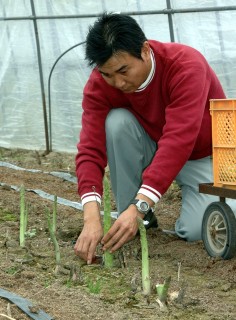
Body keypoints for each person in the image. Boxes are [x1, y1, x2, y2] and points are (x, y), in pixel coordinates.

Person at [74, 12, 230, 264]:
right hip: (152, 145)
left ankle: (137, 210)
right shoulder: (100, 85)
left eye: (123, 70)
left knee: (198, 232)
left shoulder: (185, 65)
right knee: (116, 122)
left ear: (145, 50)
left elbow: (179, 139)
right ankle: (134, 216)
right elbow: (90, 149)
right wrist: (91, 217)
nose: (118, 82)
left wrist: (143, 202)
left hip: (199, 153)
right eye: (107, 74)